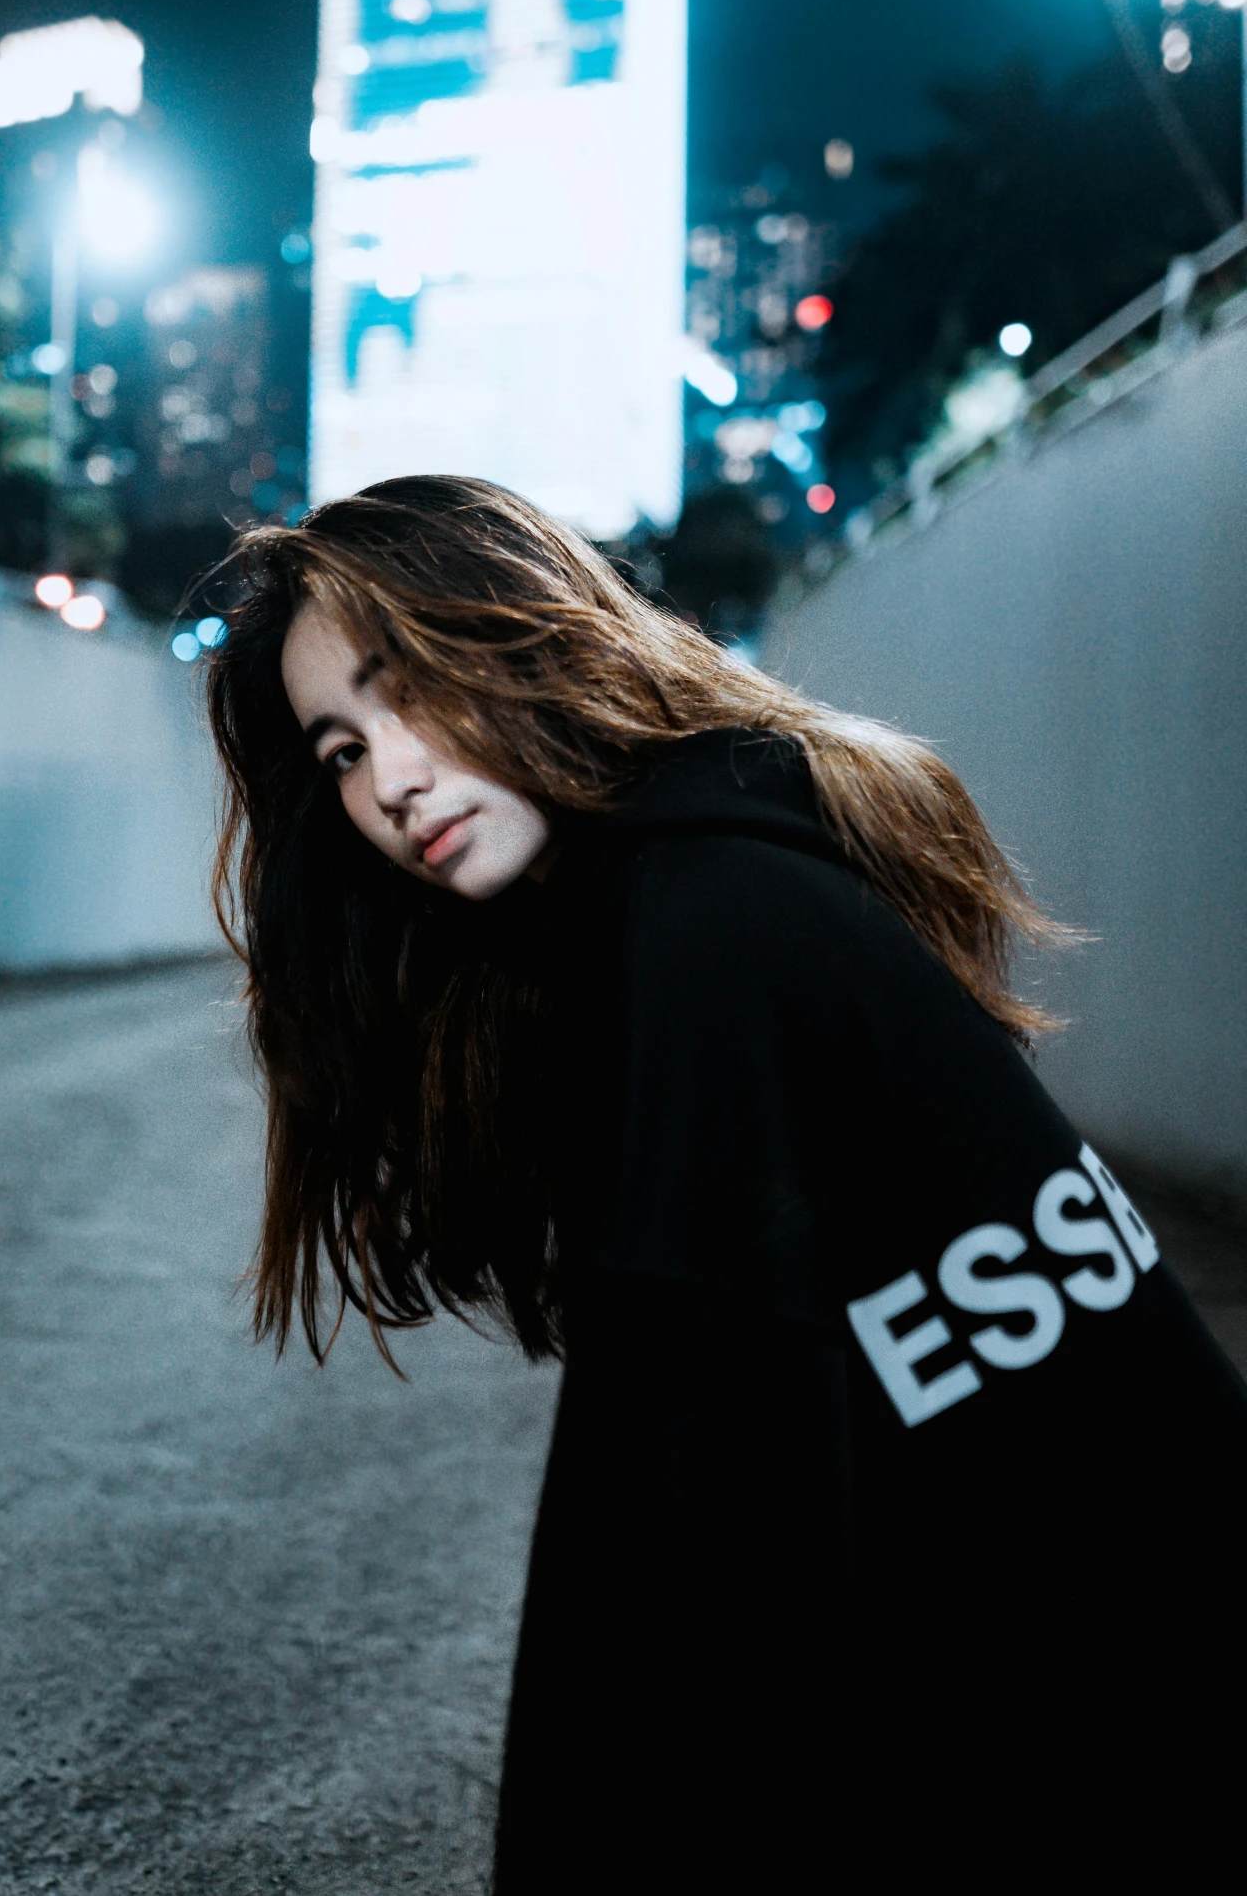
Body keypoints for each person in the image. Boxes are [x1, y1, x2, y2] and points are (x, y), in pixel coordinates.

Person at [206, 472, 1247, 1886]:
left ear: (524, 633)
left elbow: (675, 1526)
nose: (386, 781)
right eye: (338, 749)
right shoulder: (716, 875)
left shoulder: (705, 934)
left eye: (409, 689)